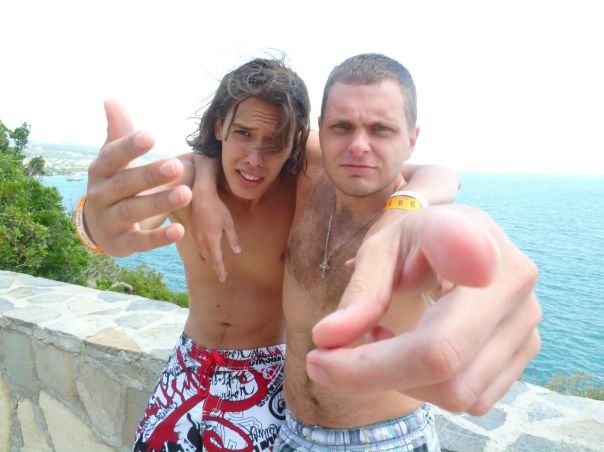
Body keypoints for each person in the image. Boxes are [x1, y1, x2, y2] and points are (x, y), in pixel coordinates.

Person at [80, 57, 460, 452]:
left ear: (294, 141)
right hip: (194, 372)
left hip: (274, 387)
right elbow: (129, 216)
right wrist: (95, 225)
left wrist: (404, 208)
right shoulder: (192, 180)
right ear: (220, 127)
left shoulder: (307, 181)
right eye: (242, 133)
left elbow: (437, 175)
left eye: (274, 142)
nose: (255, 158)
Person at [191, 54, 541, 452]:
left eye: (381, 129)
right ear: (319, 130)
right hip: (289, 431)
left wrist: (463, 256)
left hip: (385, 440)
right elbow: (223, 143)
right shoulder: (307, 178)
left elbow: (450, 208)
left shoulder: (415, 228)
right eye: (342, 127)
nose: (359, 146)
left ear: (411, 140)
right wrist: (204, 186)